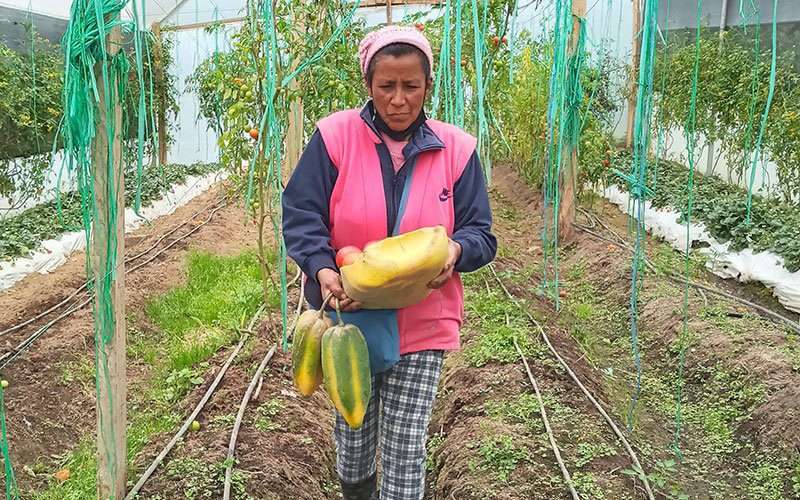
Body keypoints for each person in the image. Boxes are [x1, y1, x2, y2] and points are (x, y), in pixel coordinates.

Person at [282, 25, 496, 500]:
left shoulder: (457, 150)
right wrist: (323, 269)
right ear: (368, 84)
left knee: (404, 448)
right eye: (387, 86)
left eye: (411, 86)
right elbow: (301, 214)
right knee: (354, 439)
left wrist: (456, 251)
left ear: (428, 86)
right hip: (349, 322)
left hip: (423, 321)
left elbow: (480, 234)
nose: (399, 99)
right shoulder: (335, 137)